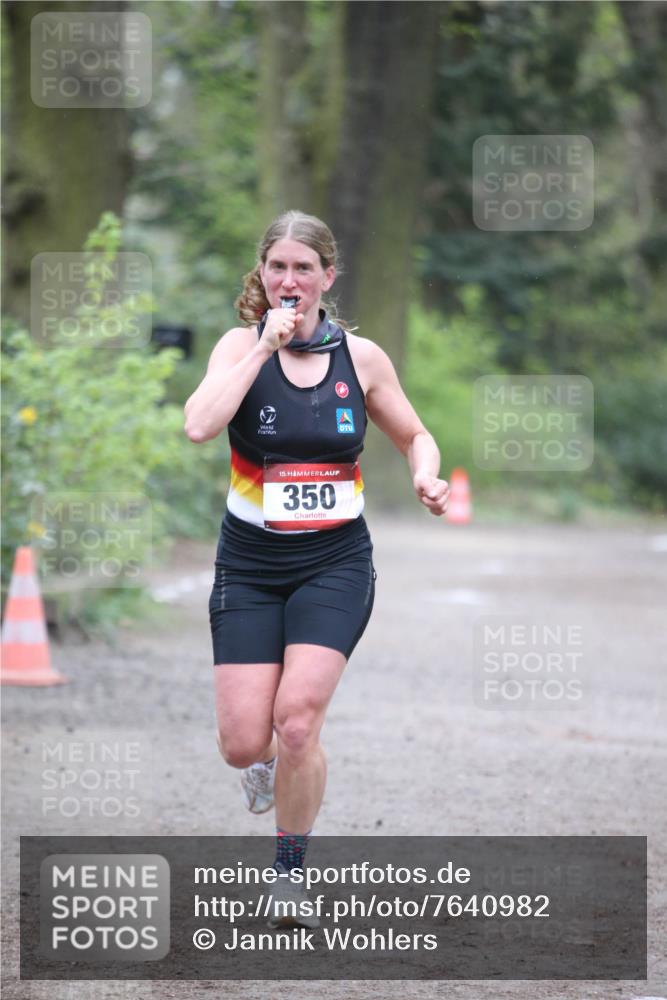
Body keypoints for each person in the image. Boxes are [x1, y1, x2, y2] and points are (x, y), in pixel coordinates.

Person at [184, 210, 449, 927]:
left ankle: (289, 875)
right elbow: (199, 424)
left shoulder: (360, 360)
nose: (290, 280)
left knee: (297, 724)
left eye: (305, 268)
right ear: (262, 275)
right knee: (246, 742)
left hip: (333, 562)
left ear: (328, 277)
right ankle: (267, 766)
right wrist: (260, 353)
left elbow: (416, 434)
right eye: (278, 267)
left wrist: (426, 476)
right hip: (249, 563)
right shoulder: (239, 346)